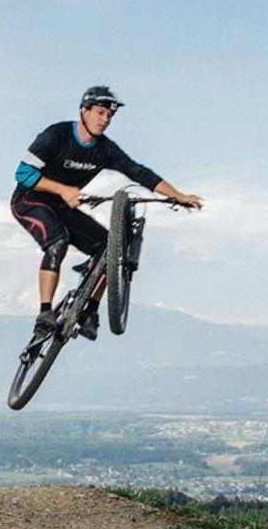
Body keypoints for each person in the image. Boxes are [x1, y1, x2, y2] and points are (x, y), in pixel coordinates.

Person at [11, 85, 203, 340]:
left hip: (64, 206)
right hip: (29, 200)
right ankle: (45, 313)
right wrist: (63, 190)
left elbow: (139, 173)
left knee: (110, 248)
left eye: (109, 116)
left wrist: (177, 195)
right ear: (84, 111)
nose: (105, 120)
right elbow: (23, 174)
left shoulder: (105, 149)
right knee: (58, 242)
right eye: (100, 113)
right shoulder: (56, 135)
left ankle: (90, 311)